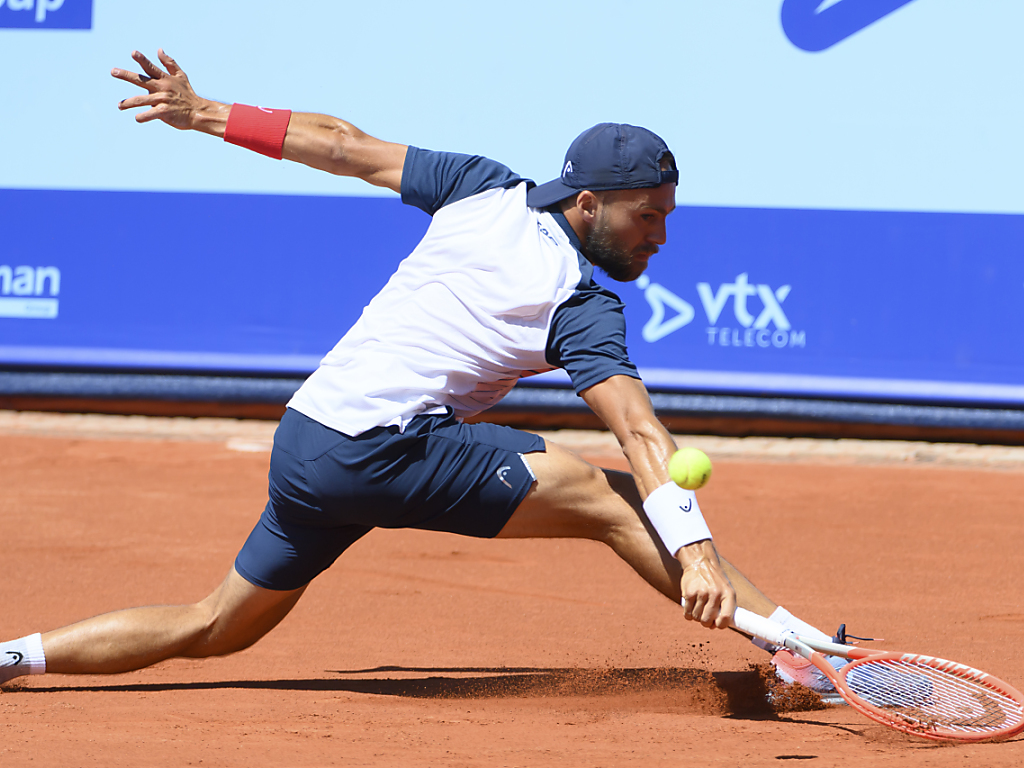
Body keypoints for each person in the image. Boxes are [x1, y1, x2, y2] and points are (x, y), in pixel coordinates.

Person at [0, 50, 843, 699]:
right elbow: (640, 432)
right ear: (588, 204)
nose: (661, 235)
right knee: (613, 501)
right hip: (381, 447)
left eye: (668, 216)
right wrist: (693, 553)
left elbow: (339, 146)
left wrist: (205, 112)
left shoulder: (481, 187)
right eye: (647, 215)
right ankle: (796, 652)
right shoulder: (580, 303)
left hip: (306, 442)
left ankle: (15, 656)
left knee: (216, 625)